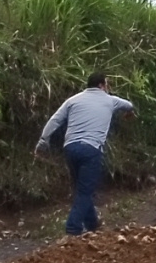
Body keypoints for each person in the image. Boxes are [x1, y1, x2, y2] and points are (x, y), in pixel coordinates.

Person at [34, 73, 135, 235]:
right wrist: (129, 113)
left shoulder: (73, 100)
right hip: (91, 149)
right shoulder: (110, 100)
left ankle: (93, 225)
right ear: (101, 85)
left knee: (81, 189)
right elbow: (129, 105)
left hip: (70, 148)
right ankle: (73, 228)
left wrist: (43, 142)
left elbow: (55, 120)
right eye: (107, 84)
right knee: (85, 191)